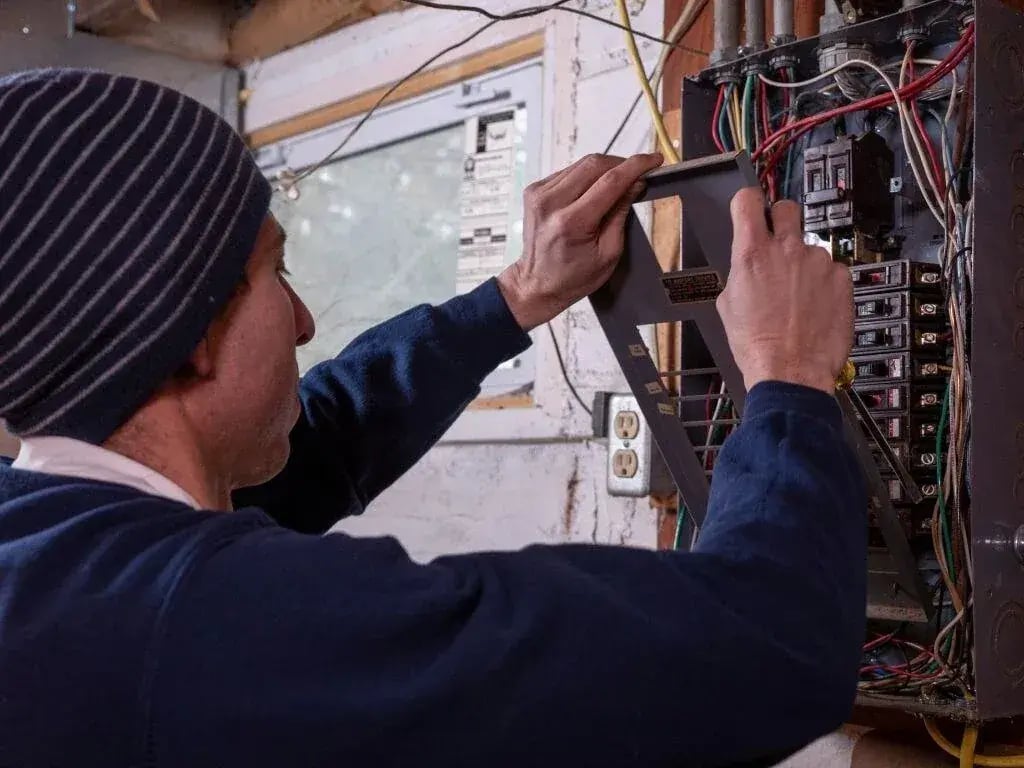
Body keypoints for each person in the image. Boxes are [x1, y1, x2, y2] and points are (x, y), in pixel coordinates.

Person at [0, 69, 862, 767]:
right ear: (189, 329)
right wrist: (788, 375)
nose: (302, 320)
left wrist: (516, 296)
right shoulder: (209, 631)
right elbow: (767, 646)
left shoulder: (45, 545)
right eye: (274, 271)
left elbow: (319, 438)